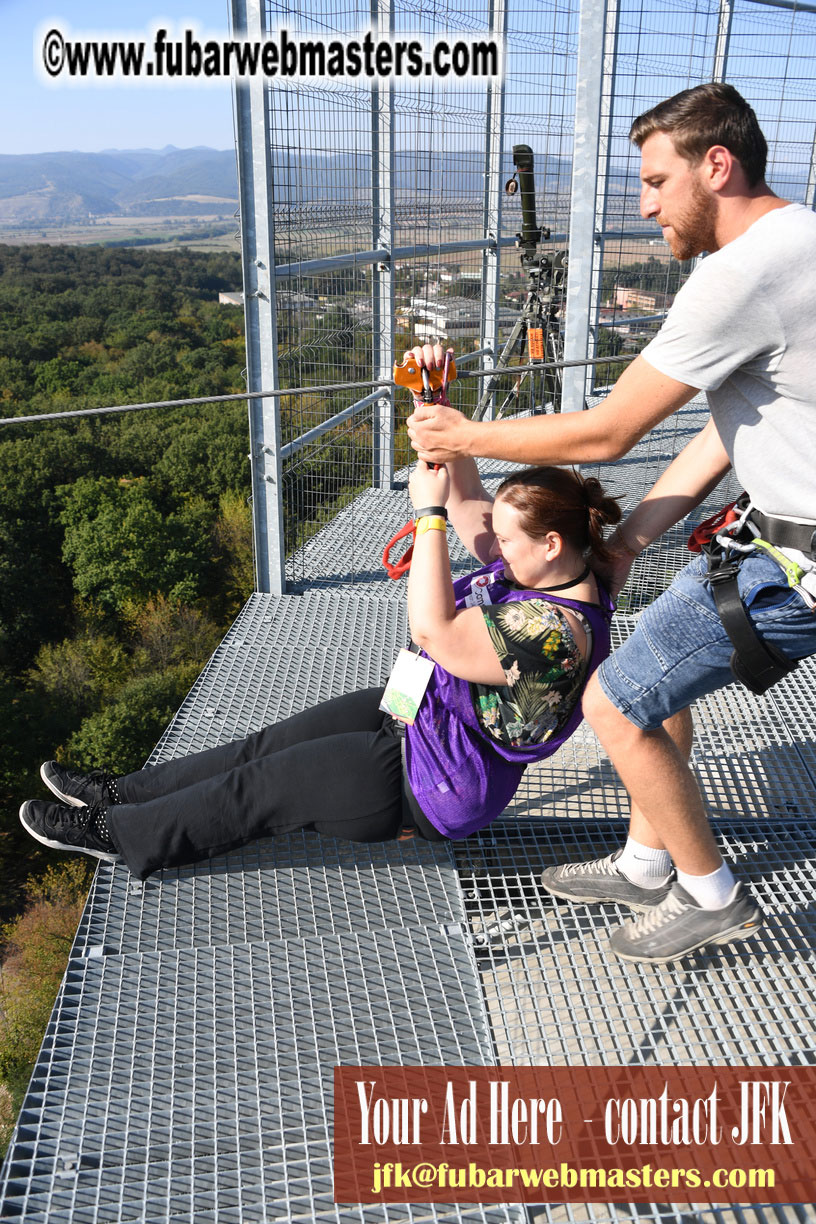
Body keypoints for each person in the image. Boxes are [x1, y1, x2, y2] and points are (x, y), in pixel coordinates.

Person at [406, 82, 816, 964]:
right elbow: (726, 427)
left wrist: (461, 432)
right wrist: (629, 541)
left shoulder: (742, 273)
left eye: (657, 180)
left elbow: (607, 432)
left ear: (717, 165)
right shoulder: (803, 242)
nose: (645, 203)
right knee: (652, 683)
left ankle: (712, 895)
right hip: (781, 537)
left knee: (616, 696)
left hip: (797, 563)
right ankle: (643, 861)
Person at [19, 459, 618, 880]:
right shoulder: (545, 567)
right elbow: (471, 506)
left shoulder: (552, 638)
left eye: (509, 540)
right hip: (417, 714)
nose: (495, 547)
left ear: (551, 543)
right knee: (257, 749)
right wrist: (437, 419)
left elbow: (433, 629)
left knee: (254, 791)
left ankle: (118, 835)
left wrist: (429, 516)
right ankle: (119, 793)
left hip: (428, 780)